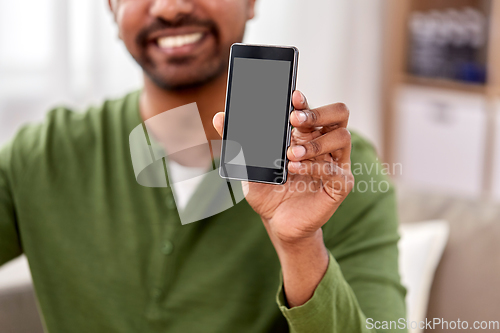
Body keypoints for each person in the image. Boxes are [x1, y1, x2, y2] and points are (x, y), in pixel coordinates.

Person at [0, 0, 406, 332]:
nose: (171, 8)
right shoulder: (43, 156)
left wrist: (300, 249)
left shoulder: (333, 175)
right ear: (111, 5)